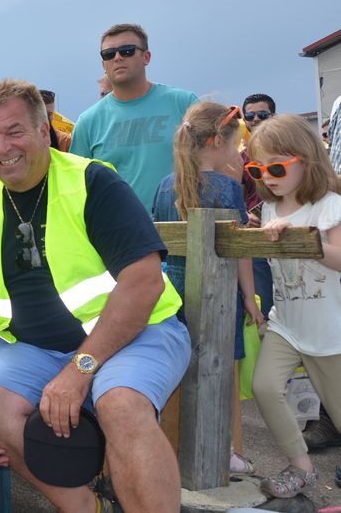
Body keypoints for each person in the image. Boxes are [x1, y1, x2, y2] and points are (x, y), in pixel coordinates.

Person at [0, 79, 190, 512]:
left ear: (45, 132)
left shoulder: (93, 182)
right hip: (37, 348)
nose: (3, 147)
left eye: (15, 132)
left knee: (120, 404)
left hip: (139, 334)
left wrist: (80, 370)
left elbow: (144, 282)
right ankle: (84, 508)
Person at [152, 101, 265, 476]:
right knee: (218, 372)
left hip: (175, 293)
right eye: (234, 144)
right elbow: (239, 253)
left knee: (178, 371)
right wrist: (250, 298)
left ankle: (171, 446)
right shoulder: (226, 188)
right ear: (217, 140)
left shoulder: (164, 186)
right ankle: (220, 451)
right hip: (217, 298)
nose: (236, 152)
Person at [245, 114, 341, 499]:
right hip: (286, 323)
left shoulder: (329, 204)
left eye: (277, 166)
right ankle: (301, 466)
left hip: (329, 330)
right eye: (257, 168)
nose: (267, 176)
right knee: (264, 386)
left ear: (307, 159)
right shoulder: (269, 209)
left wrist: (303, 239)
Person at [71, 23, 198, 212]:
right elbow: (77, 187)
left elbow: (214, 162)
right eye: (109, 54)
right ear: (103, 64)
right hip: (119, 234)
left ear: (146, 57)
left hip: (182, 227)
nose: (118, 57)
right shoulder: (88, 121)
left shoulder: (184, 103)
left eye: (127, 51)